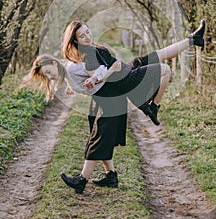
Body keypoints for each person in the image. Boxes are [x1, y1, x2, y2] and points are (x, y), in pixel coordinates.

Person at [58, 18, 206, 194]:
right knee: (165, 69)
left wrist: (90, 78)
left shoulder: (89, 50)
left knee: (157, 54)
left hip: (124, 74)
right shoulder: (88, 53)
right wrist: (99, 76)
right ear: (75, 40)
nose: (88, 37)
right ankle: (152, 107)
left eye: (88, 32)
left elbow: (84, 72)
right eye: (82, 36)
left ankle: (193, 39)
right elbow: (96, 74)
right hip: (124, 80)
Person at [21, 54, 128, 193]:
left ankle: (82, 180)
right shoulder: (68, 73)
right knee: (98, 138)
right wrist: (71, 86)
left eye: (48, 72)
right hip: (101, 99)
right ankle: (111, 176)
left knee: (98, 140)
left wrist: (111, 70)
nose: (49, 77)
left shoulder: (71, 68)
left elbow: (99, 69)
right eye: (46, 76)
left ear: (54, 63)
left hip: (110, 98)